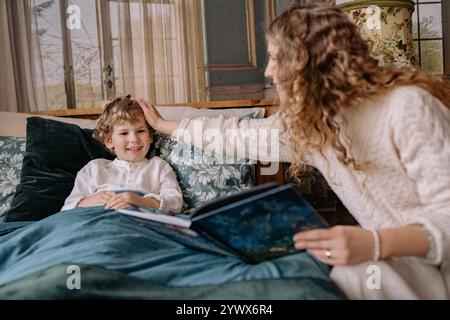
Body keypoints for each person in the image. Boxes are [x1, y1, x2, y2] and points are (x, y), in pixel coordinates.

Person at [136, 5, 450, 299]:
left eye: (276, 58)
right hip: (404, 261)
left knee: (355, 272)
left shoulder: (407, 107)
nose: (269, 72)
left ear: (308, 61)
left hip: (439, 266)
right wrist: (164, 125)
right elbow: (237, 136)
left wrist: (374, 243)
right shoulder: (313, 122)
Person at [61, 95, 183, 214]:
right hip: (99, 219)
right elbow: (67, 208)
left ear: (150, 136)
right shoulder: (95, 168)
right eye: (124, 133)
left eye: (140, 131)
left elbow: (175, 204)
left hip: (139, 221)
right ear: (109, 141)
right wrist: (89, 201)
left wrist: (140, 201)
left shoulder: (158, 166)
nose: (134, 139)